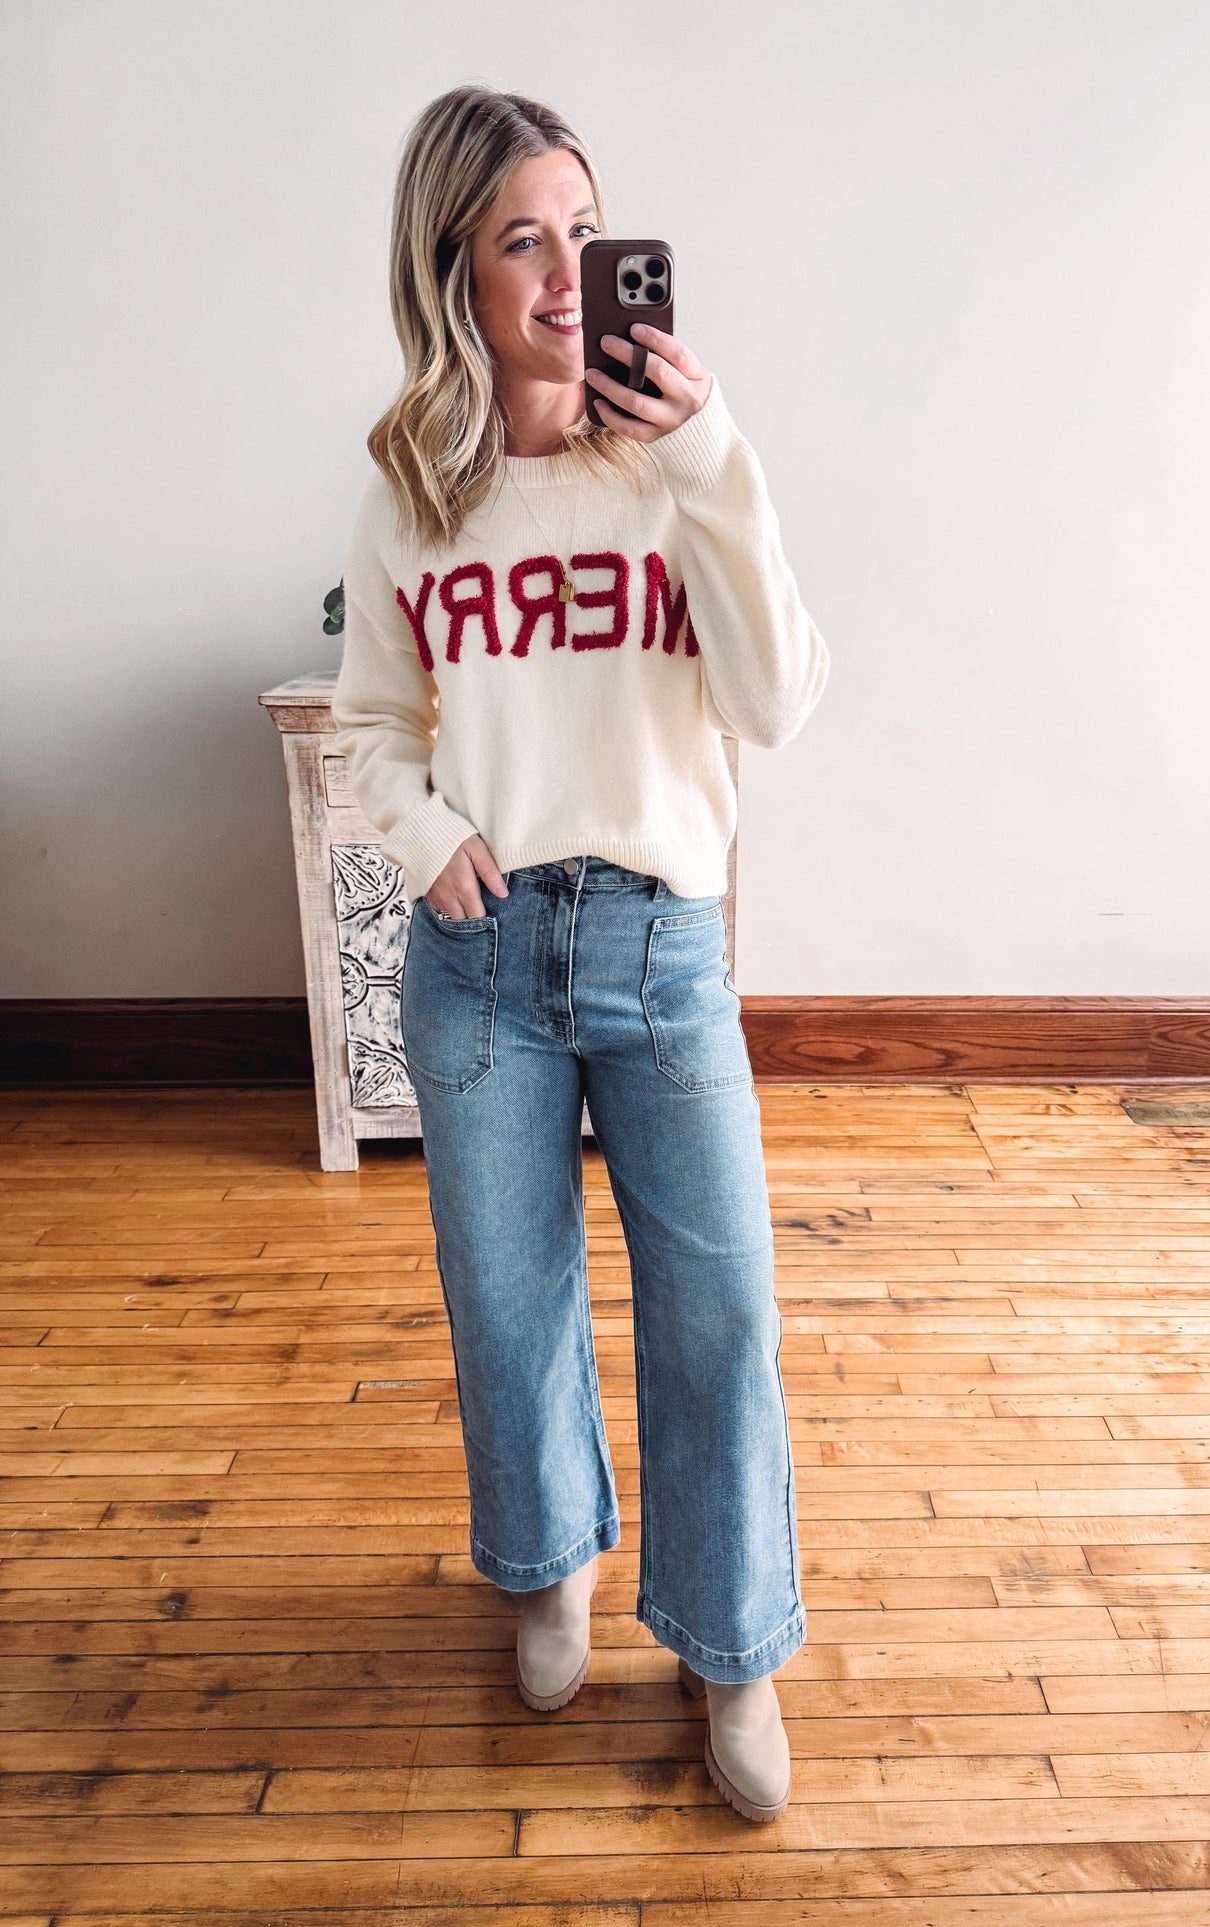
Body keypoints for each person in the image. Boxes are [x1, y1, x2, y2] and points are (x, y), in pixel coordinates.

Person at [330, 84, 829, 1824]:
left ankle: (731, 1641)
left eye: (584, 231)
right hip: (481, 952)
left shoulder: (684, 462)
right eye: (519, 240)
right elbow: (371, 728)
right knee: (507, 1299)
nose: (563, 277)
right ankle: (544, 1567)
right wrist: (430, 842)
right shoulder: (413, 486)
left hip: (660, 939)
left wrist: (709, 458)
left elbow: (778, 703)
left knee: (721, 1311)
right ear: (454, 272)